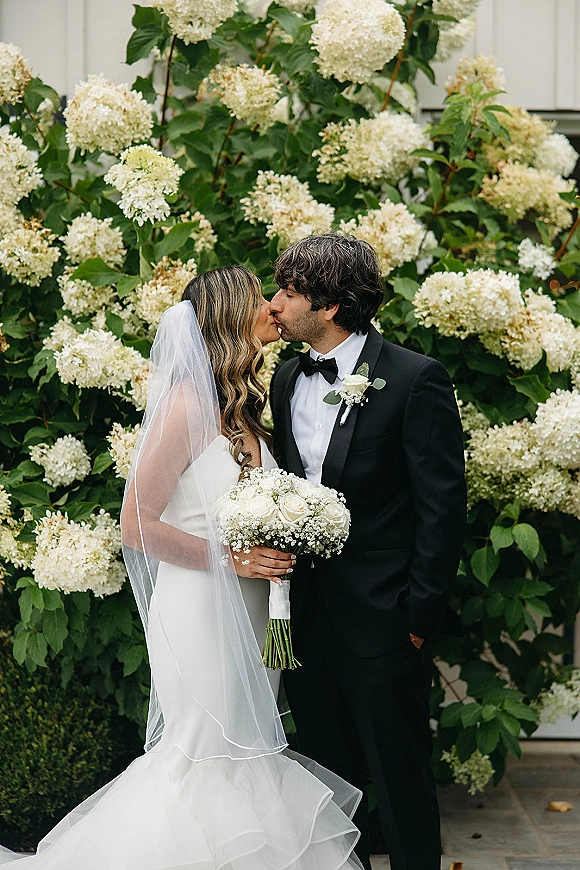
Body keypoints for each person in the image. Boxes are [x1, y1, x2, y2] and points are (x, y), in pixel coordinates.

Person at [0, 266, 363, 870]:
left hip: (251, 603)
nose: (274, 309)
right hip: (201, 604)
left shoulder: (240, 408)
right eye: (257, 301)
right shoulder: (186, 405)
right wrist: (231, 558)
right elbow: (136, 523)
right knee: (206, 749)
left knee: (249, 745)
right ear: (225, 315)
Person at [268, 235, 467, 870]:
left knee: (401, 781)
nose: (275, 305)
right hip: (306, 615)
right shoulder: (287, 374)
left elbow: (441, 508)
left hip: (386, 621)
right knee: (326, 785)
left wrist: (417, 621)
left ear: (328, 307)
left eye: (290, 292)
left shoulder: (415, 379)